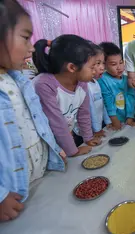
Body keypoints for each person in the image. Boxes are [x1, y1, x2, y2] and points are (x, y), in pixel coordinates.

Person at [0, 0, 66, 222]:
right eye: (25, 37)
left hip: (37, 176)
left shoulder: (19, 81)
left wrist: (55, 149)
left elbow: (39, 124)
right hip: (11, 196)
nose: (31, 48)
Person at [33, 35, 101, 157]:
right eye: (91, 67)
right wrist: (73, 151)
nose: (95, 71)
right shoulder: (44, 85)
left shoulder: (81, 83)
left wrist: (88, 138)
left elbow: (83, 113)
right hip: (46, 145)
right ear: (72, 67)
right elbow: (57, 123)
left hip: (65, 139)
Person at [73, 43, 112, 144]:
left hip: (97, 127)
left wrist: (107, 121)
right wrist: (96, 129)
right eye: (97, 63)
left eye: (103, 63)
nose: (102, 67)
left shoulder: (96, 83)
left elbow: (102, 104)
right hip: (86, 132)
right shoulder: (85, 86)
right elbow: (90, 109)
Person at [98, 42, 135, 129]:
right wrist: (114, 120)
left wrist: (130, 117)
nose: (119, 67)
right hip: (112, 121)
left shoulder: (127, 78)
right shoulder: (103, 80)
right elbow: (108, 102)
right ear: (104, 65)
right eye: (114, 64)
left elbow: (131, 97)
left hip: (126, 119)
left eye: (121, 62)